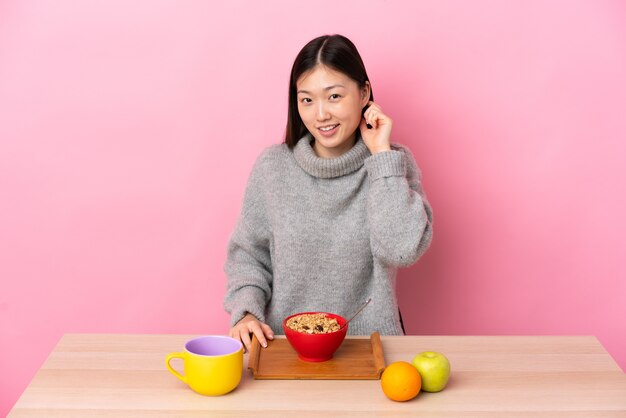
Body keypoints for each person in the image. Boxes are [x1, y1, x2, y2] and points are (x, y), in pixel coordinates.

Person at [224, 34, 433, 352]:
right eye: (306, 99)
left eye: (334, 96)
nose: (320, 114)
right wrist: (246, 312)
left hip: (371, 349)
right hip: (284, 349)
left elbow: (402, 251)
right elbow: (249, 255)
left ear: (364, 93)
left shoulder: (391, 163)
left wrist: (381, 158)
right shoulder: (273, 167)